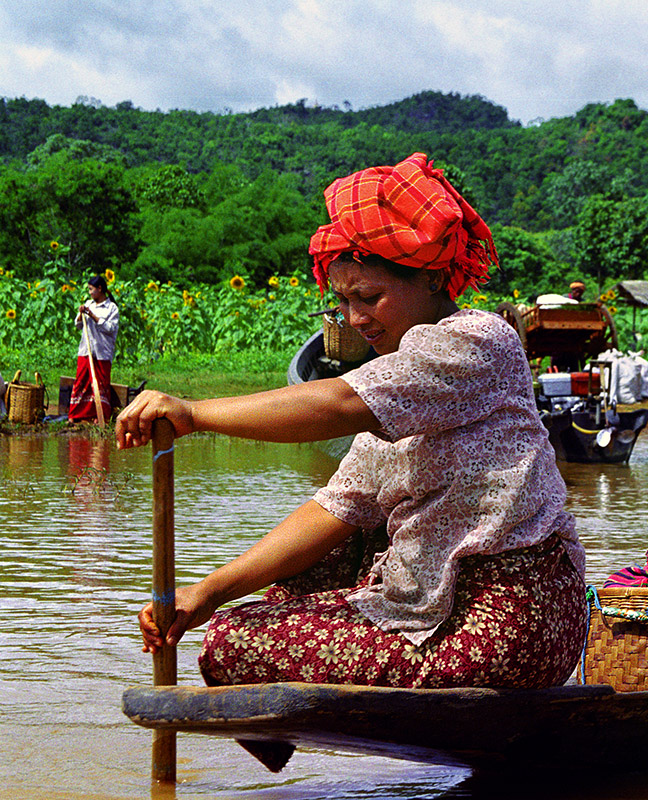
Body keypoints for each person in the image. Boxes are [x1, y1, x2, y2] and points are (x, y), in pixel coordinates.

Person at [116, 153, 586, 767]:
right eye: (342, 302)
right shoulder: (393, 392)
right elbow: (332, 509)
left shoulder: (477, 342)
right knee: (293, 578)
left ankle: (298, 728)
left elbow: (334, 402)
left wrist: (195, 413)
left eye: (370, 297)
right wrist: (203, 594)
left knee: (234, 645)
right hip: (444, 601)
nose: (355, 318)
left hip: (511, 620)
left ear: (432, 283)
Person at [69, 275, 119, 423]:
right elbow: (77, 325)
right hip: (86, 350)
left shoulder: (112, 308)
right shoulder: (89, 303)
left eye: (91, 289)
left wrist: (94, 316)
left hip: (102, 351)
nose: (90, 293)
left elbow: (110, 328)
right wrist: (80, 315)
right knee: (81, 381)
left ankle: (100, 416)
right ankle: (75, 415)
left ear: (100, 289)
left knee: (101, 383)